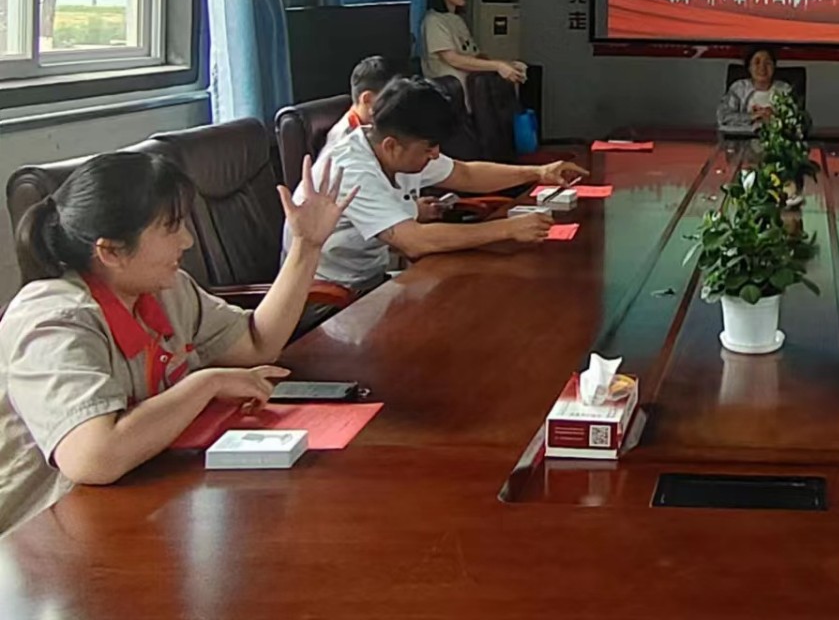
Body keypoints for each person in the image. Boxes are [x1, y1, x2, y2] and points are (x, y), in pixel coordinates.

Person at [0, 150, 356, 534]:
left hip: (143, 501)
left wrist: (306, 246)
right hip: (42, 535)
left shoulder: (164, 290)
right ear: (110, 251)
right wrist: (208, 382)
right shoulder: (53, 322)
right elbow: (94, 458)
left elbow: (256, 343)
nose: (187, 240)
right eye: (170, 228)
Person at [289, 77, 587, 293]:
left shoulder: (399, 147)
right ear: (392, 146)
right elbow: (414, 240)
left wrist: (539, 172)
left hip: (375, 280)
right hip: (327, 299)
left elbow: (465, 174)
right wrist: (507, 229)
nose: (435, 155)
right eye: (429, 148)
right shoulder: (350, 170)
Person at [420, 0, 527, 92]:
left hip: (474, 91)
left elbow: (474, 56)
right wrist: (497, 65)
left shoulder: (457, 20)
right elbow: (453, 59)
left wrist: (506, 65)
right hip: (452, 94)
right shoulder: (434, 21)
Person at [326, 55, 407, 153]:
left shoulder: (373, 125)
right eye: (389, 99)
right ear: (367, 99)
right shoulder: (343, 144)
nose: (394, 106)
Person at [716, 47, 796, 136]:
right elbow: (723, 117)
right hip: (740, 141)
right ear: (749, 67)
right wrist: (753, 116)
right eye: (757, 62)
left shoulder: (784, 89)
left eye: (768, 63)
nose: (762, 67)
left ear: (774, 66)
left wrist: (774, 118)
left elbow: (797, 122)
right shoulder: (739, 88)